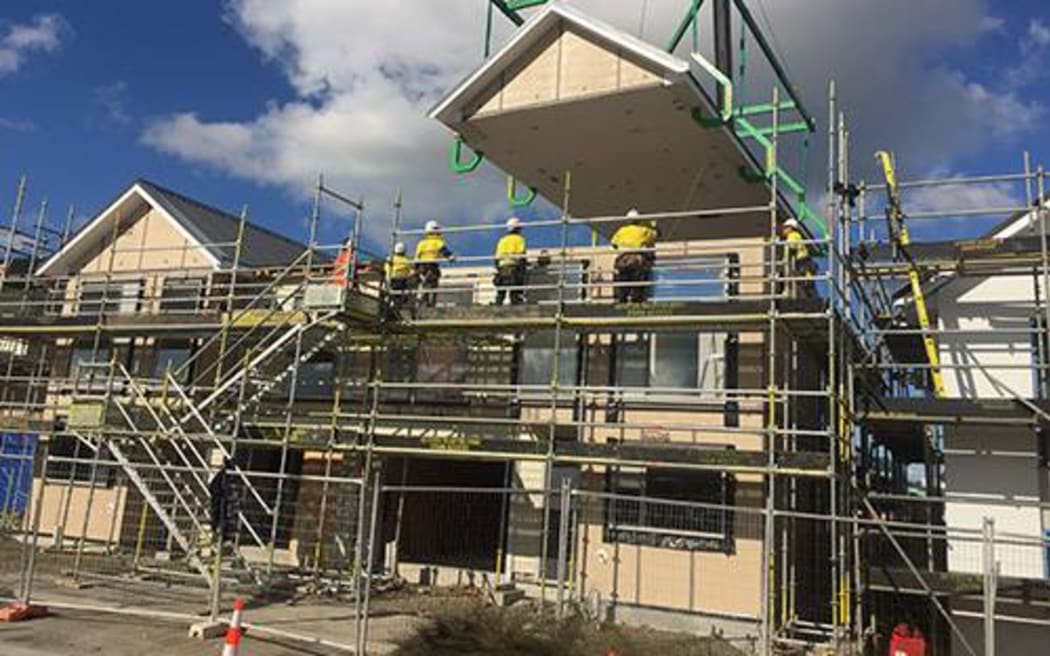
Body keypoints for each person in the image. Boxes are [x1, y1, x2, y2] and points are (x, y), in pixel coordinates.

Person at [610, 208, 659, 303]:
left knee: (622, 286)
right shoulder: (644, 230)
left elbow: (614, 244)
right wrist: (653, 226)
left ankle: (621, 303)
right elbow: (657, 234)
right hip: (638, 261)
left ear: (627, 220)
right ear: (639, 220)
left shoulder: (621, 230)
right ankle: (636, 303)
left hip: (623, 260)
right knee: (638, 285)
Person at [414, 220, 455, 307]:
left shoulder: (421, 243)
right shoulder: (437, 242)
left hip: (421, 267)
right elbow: (444, 251)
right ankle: (430, 305)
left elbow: (416, 257)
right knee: (433, 285)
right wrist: (451, 257)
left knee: (423, 286)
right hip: (431, 266)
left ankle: (422, 303)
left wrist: (416, 269)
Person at [493, 217, 527, 306]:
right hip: (514, 266)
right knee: (515, 291)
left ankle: (498, 305)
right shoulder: (519, 239)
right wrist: (523, 269)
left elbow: (496, 257)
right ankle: (515, 306)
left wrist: (498, 268)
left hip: (502, 267)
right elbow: (521, 255)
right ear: (518, 228)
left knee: (501, 292)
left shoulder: (502, 240)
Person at [779, 217, 816, 297]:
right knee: (804, 282)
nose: (783, 230)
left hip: (802, 262)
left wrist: (786, 260)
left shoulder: (793, 235)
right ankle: (808, 296)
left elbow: (792, 248)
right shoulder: (795, 235)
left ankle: (809, 298)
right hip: (803, 262)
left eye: (785, 228)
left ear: (790, 228)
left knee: (804, 282)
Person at [385, 242, 416, 311]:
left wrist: (388, 279)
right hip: (402, 280)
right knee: (404, 295)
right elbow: (413, 271)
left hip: (391, 280)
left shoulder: (390, 258)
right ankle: (397, 305)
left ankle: (392, 304)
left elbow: (386, 269)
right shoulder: (407, 260)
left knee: (392, 294)